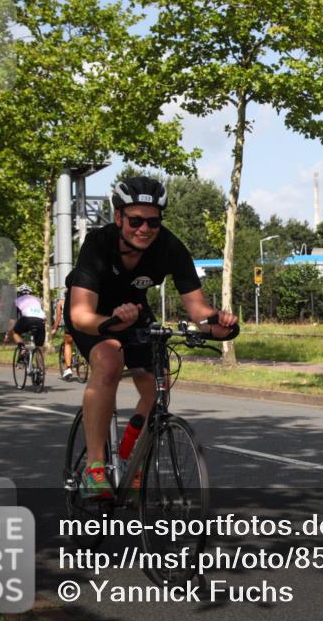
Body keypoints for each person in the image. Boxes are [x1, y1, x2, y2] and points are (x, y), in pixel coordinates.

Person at [65, 176, 237, 499]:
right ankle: (95, 469)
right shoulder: (97, 245)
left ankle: (132, 456)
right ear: (119, 218)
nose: (144, 229)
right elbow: (79, 315)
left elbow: (198, 309)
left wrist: (217, 323)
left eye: (153, 222)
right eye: (135, 220)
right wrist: (112, 322)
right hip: (94, 316)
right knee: (110, 360)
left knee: (159, 382)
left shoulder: (170, 247)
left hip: (135, 316)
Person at [4, 285, 46, 351]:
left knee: (15, 332)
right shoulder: (38, 300)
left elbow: (12, 321)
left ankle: (22, 348)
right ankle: (40, 360)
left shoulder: (17, 300)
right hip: (40, 321)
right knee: (39, 347)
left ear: (19, 293)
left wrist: (8, 334)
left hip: (27, 319)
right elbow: (43, 315)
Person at [50, 291, 75, 381]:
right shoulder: (79, 301)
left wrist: (55, 329)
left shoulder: (61, 302)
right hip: (81, 325)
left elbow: (58, 318)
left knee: (68, 343)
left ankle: (68, 368)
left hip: (69, 325)